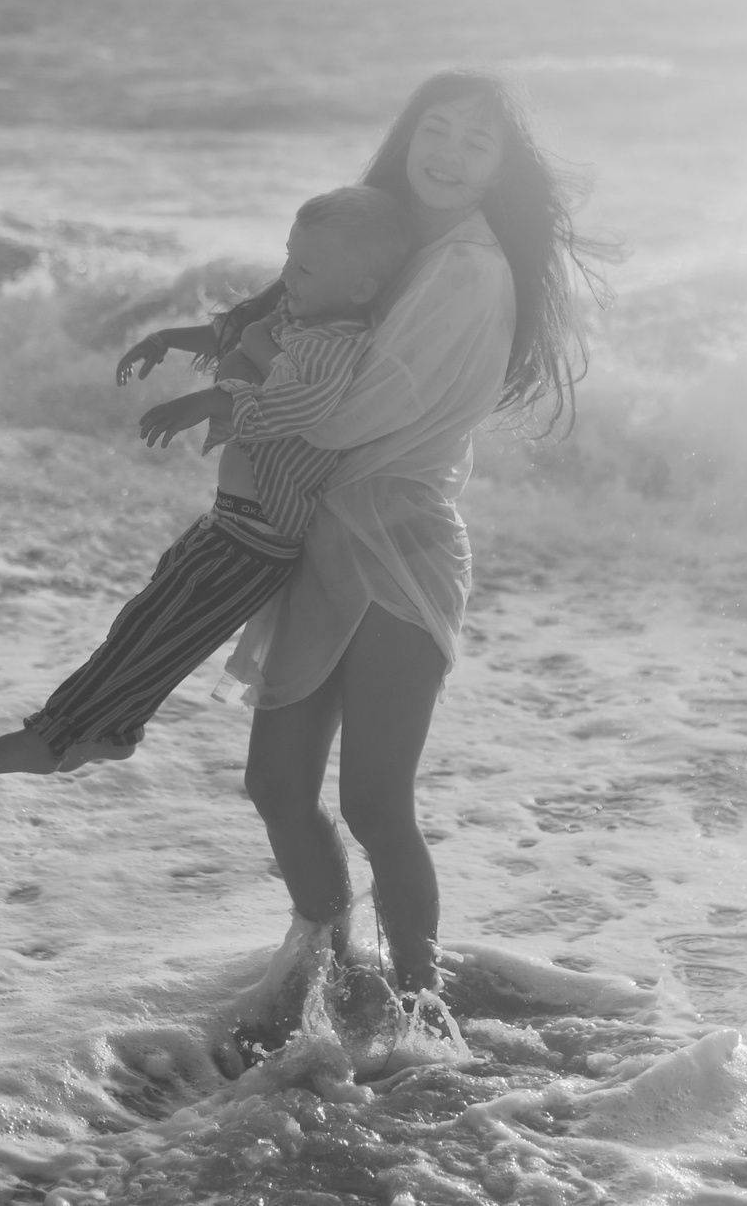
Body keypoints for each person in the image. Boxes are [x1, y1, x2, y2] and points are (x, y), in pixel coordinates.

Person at [214, 70, 605, 1009]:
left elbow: (353, 412)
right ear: (407, 135)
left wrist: (244, 402)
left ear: (501, 168)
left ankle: (422, 1009)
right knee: (275, 782)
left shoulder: (468, 270)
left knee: (374, 802)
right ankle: (337, 966)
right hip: (318, 532)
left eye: (479, 142)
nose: (451, 153)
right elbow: (299, 332)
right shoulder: (383, 241)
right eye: (438, 129)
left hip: (400, 541)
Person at [0, 186, 416, 775]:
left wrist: (207, 401)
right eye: (286, 258)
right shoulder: (300, 316)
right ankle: (110, 730)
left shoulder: (338, 345)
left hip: (259, 540)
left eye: (304, 267)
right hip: (230, 520)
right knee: (147, 623)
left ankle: (54, 736)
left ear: (360, 289)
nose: (288, 276)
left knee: (158, 631)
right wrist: (169, 339)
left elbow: (299, 407)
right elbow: (241, 338)